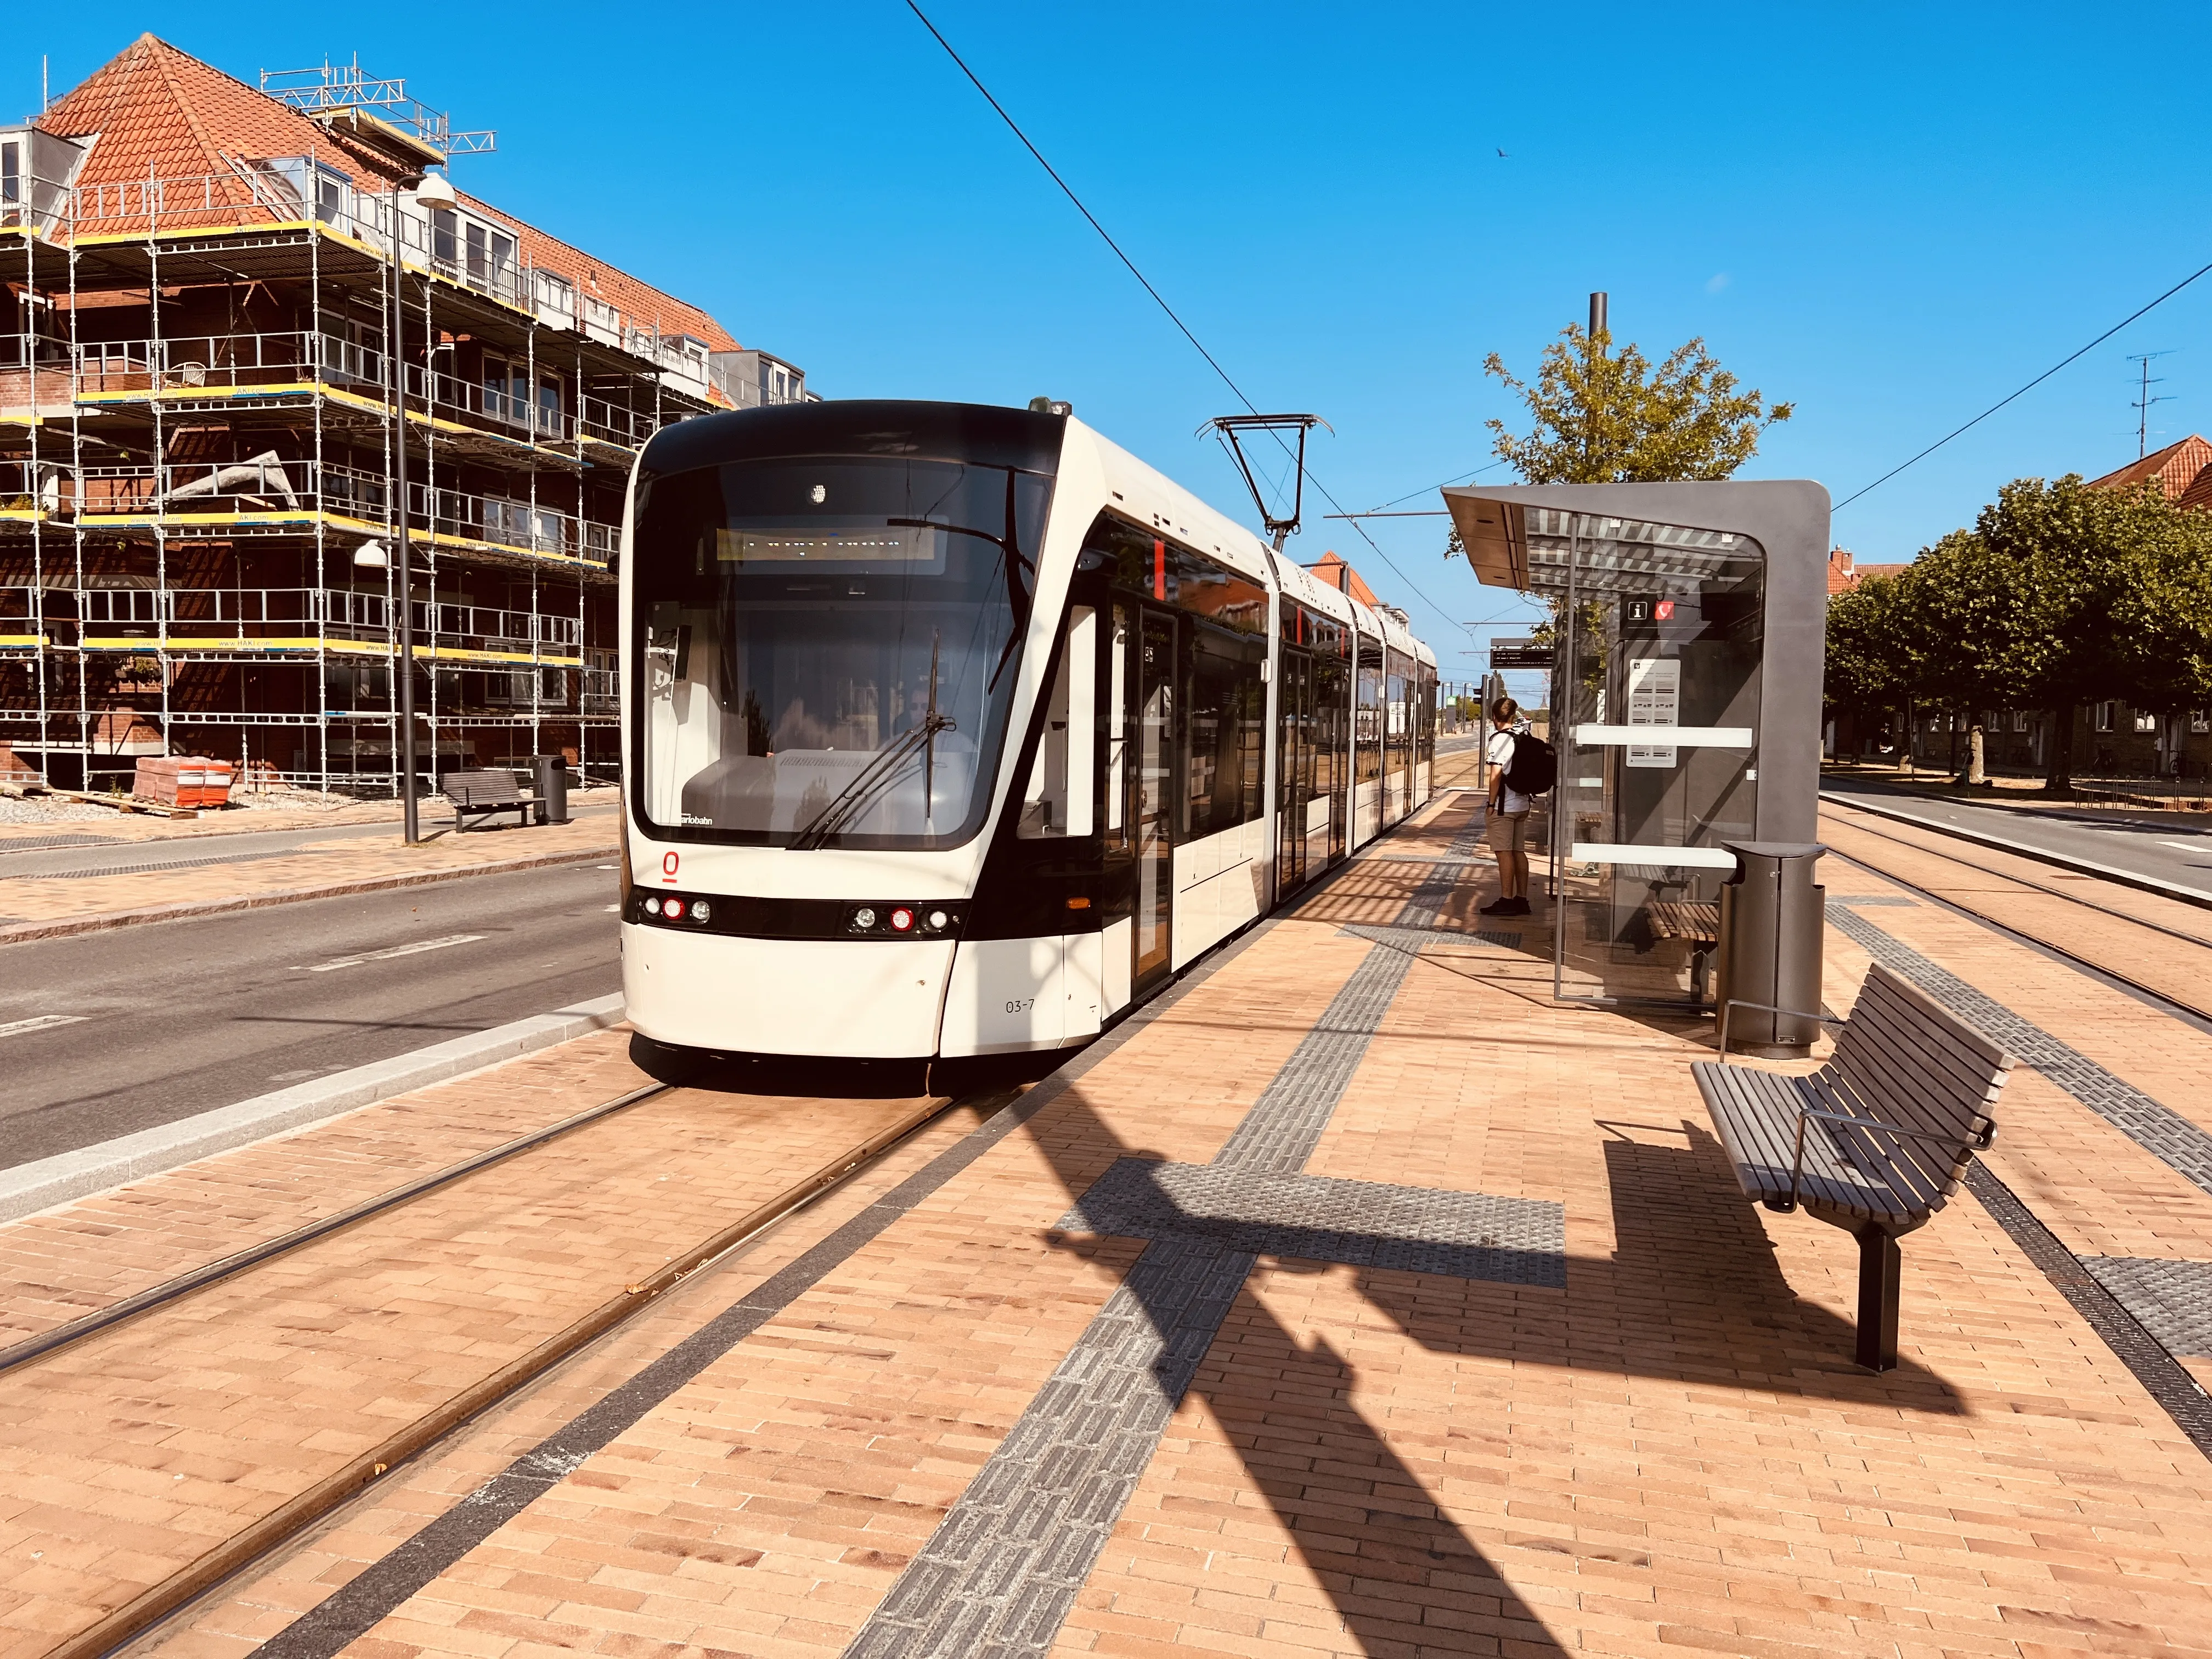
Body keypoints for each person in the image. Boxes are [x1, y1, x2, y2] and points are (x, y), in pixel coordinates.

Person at [1482, 696, 1532, 916]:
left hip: (1505, 806)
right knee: (1518, 851)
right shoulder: (1524, 735)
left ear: (1494, 717)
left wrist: (1491, 804)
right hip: (1522, 803)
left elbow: (1495, 774)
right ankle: (1522, 899)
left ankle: (1506, 900)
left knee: (1504, 853)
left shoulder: (1500, 739)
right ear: (1513, 715)